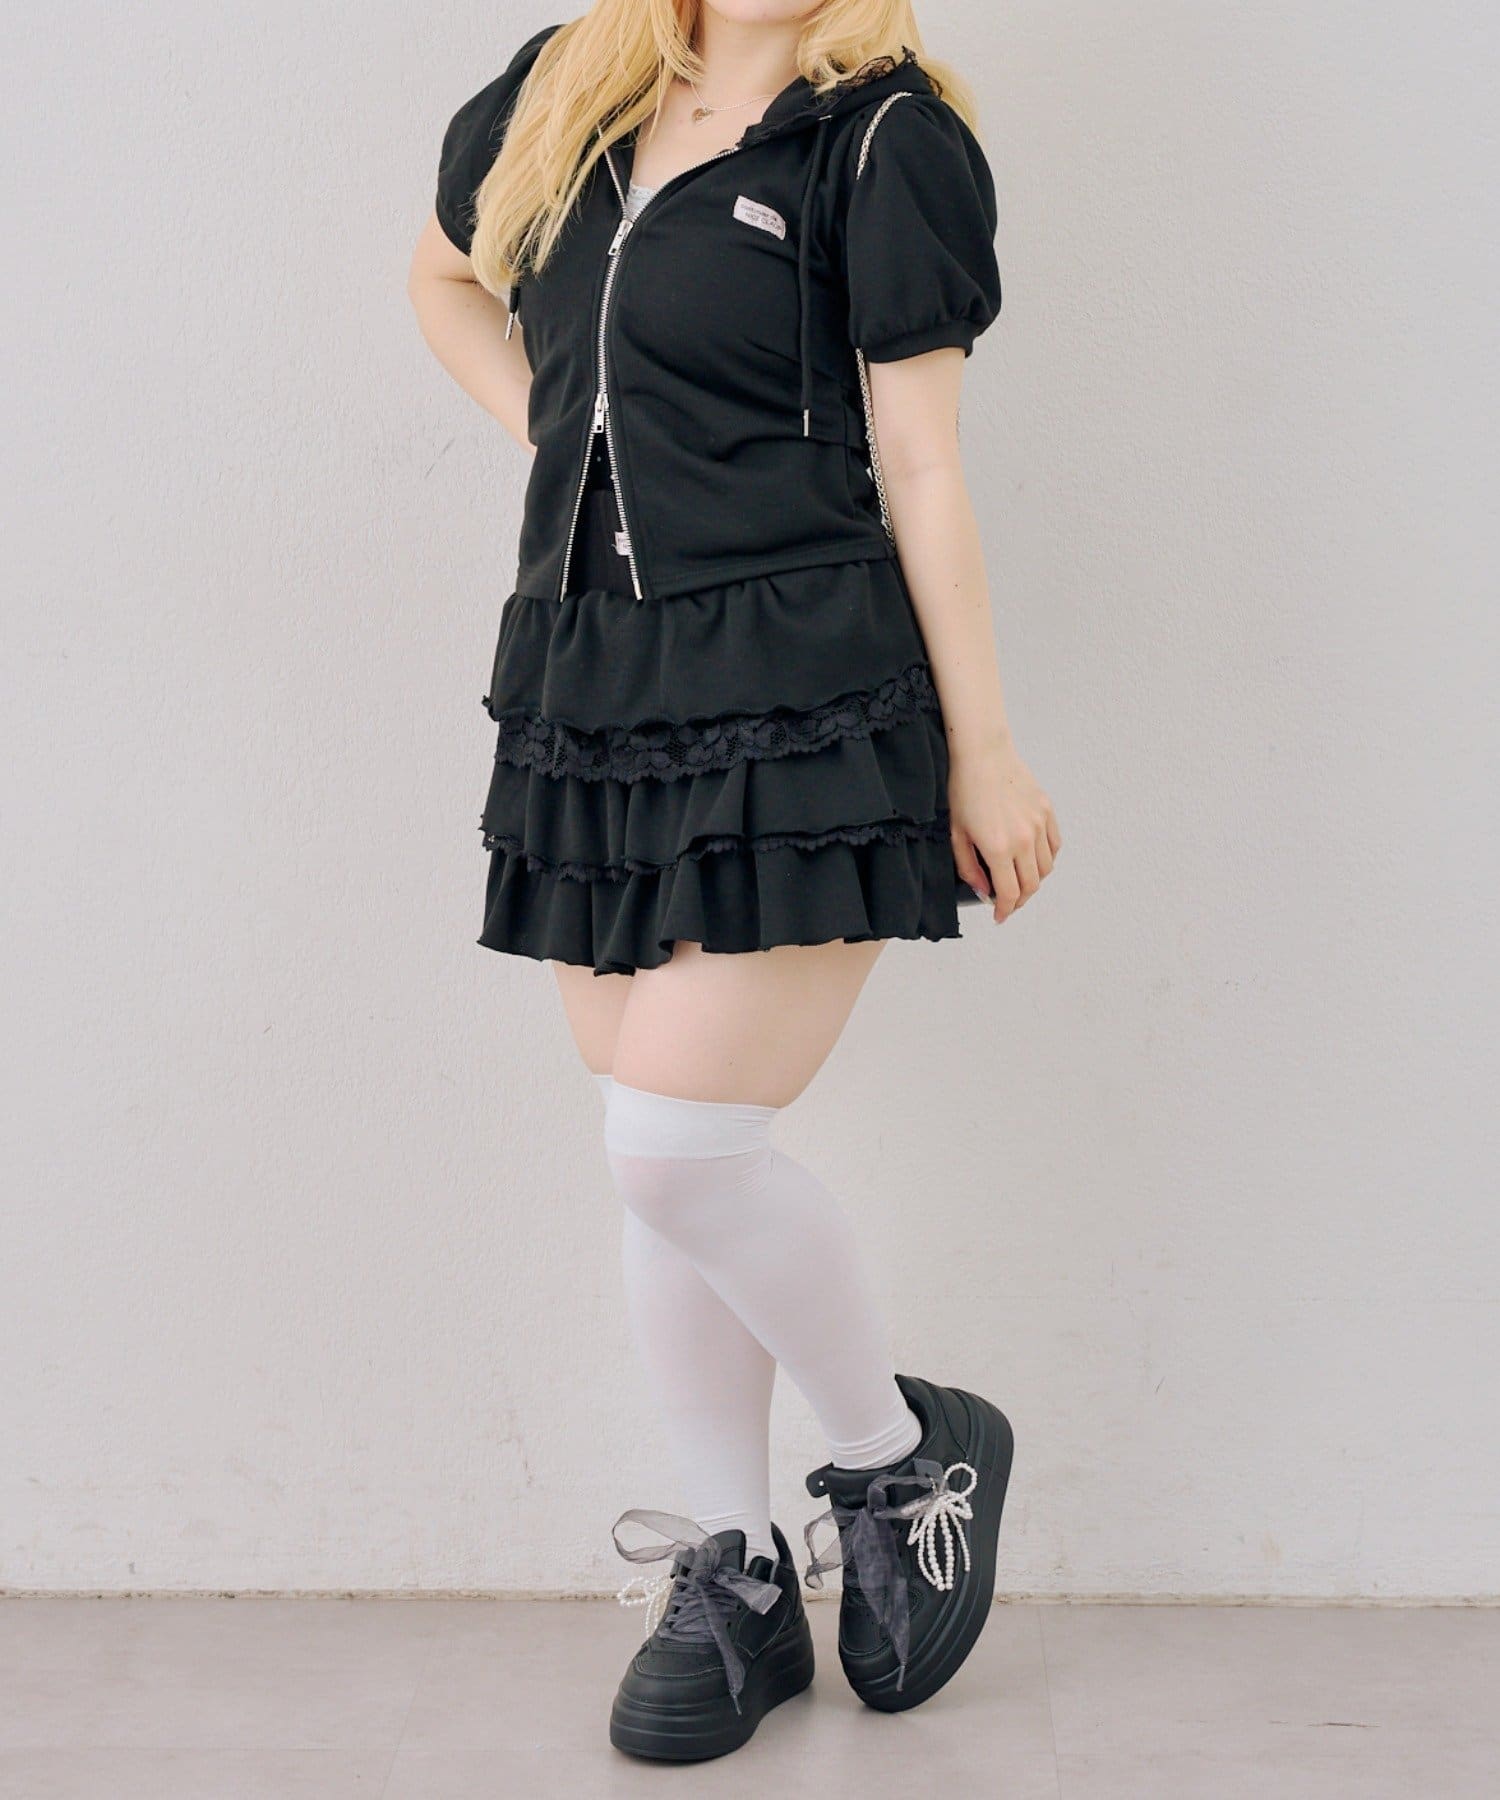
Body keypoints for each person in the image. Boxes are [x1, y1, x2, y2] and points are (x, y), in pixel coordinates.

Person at [408, 0, 1060, 1763]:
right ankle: (742, 1568)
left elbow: (921, 458)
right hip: (589, 678)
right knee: (662, 1167)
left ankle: (897, 1459)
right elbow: (443, 279)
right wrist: (570, 429)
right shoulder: (567, 83)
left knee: (675, 1145)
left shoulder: (886, 139)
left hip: (804, 678)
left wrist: (987, 751)